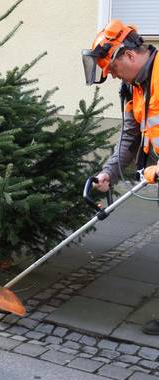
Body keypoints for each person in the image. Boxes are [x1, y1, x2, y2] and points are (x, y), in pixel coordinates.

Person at [82, 19, 159, 335]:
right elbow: (129, 138)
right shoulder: (132, 87)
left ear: (128, 55)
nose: (111, 74)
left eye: (112, 67)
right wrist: (108, 174)